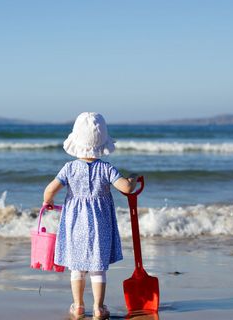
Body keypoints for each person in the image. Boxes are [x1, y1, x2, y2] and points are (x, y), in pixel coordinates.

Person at [43, 112, 138, 319]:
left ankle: (78, 305)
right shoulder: (106, 168)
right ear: (103, 141)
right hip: (100, 224)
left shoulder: (69, 168)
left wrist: (48, 201)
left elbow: (50, 189)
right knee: (97, 267)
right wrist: (132, 179)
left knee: (77, 266)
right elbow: (126, 188)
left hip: (75, 223)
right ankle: (98, 307)